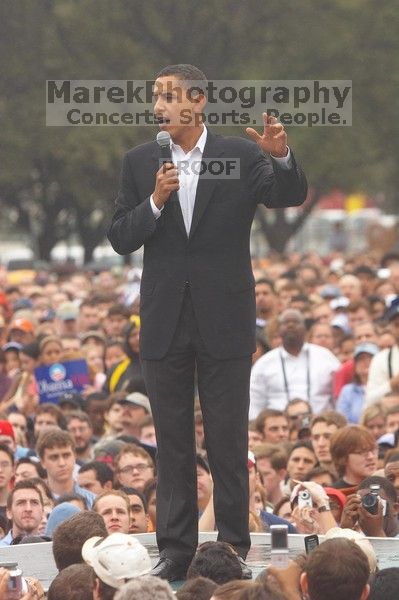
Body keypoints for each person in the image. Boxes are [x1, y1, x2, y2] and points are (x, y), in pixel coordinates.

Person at [107, 63, 307, 581]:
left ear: (196, 100)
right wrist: (155, 201)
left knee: (226, 436)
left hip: (225, 316)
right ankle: (175, 547)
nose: (158, 106)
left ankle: (232, 545)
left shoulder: (238, 155)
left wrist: (281, 156)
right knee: (171, 439)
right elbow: (119, 236)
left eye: (168, 96)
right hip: (165, 319)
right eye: (155, 97)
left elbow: (287, 195)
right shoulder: (139, 162)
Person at [250, 309, 340, 419]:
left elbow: (338, 394)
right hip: (280, 429)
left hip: (320, 425)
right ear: (279, 331)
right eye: (286, 323)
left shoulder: (325, 357)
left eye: (296, 322)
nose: (291, 325)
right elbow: (255, 401)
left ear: (305, 329)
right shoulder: (264, 363)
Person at [36, 429, 95, 508]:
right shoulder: (34, 500)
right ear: (42, 462)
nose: (62, 463)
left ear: (74, 457)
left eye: (66, 455)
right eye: (54, 457)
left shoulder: (92, 501)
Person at [0, 480, 44, 546]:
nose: (28, 509)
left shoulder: (53, 549)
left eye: (34, 502)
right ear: (9, 513)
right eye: (21, 503)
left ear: (42, 512)